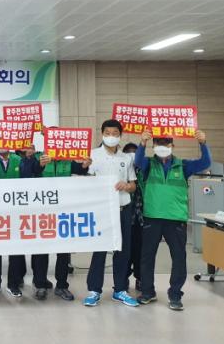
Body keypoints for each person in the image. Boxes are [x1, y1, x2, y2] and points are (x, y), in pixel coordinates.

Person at [135, 129, 211, 310]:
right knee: (147, 257)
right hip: (152, 217)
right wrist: (142, 143)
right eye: (158, 143)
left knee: (178, 257)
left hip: (176, 219)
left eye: (166, 143)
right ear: (154, 146)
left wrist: (202, 143)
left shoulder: (183, 166)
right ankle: (147, 292)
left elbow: (205, 162)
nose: (162, 147)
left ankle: (175, 294)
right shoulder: (148, 164)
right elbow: (137, 161)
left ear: (172, 146)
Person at [83, 120, 139, 307]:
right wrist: (84, 167)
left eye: (115, 133)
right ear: (102, 134)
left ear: (120, 136)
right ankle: (94, 290)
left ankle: (120, 290)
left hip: (123, 208)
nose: (111, 136)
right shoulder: (92, 155)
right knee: (99, 249)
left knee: (122, 250)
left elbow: (133, 185)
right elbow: (86, 181)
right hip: (102, 209)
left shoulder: (126, 158)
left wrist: (126, 186)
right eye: (108, 133)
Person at [31, 132, 89, 302]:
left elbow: (81, 169)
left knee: (63, 252)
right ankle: (40, 284)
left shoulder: (68, 160)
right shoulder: (39, 157)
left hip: (63, 212)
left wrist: (85, 165)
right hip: (43, 212)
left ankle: (62, 286)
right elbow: (29, 172)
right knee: (41, 250)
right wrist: (39, 165)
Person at [0, 143, 26, 298]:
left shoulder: (18, 159)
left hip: (15, 210)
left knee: (15, 249)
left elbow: (27, 178)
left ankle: (13, 284)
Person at [123, 142, 144, 292]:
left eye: (134, 152)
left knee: (140, 252)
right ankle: (122, 279)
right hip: (125, 218)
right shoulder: (121, 171)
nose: (131, 155)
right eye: (128, 152)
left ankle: (140, 279)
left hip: (142, 219)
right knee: (124, 252)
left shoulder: (144, 170)